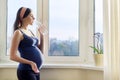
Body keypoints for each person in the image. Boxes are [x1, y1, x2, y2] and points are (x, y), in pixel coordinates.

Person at [10, 7, 44, 80]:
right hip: (26, 71)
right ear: (23, 17)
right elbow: (12, 56)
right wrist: (30, 63)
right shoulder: (18, 32)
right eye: (31, 15)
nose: (34, 18)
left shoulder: (30, 32)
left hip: (35, 70)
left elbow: (40, 50)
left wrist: (42, 35)